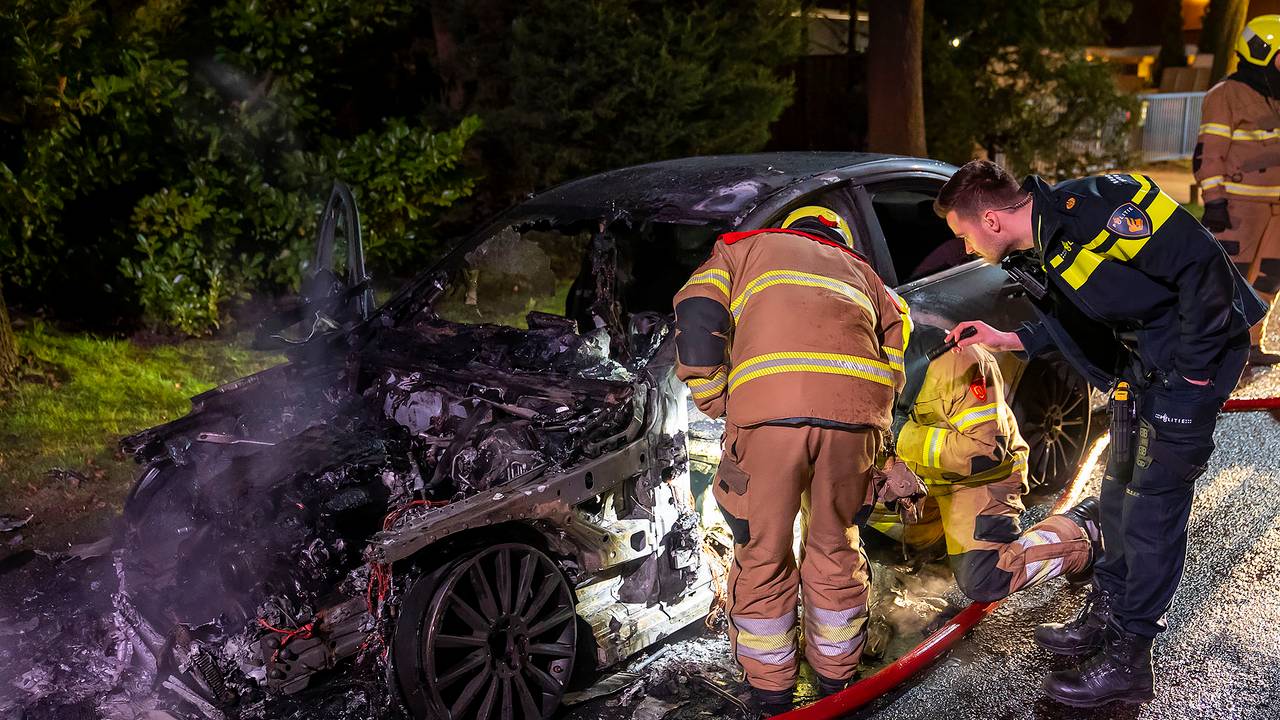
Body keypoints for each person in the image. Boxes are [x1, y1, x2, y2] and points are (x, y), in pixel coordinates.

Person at [935, 160, 1266, 708]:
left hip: (1188, 365)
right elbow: (1081, 320)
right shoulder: (1043, 243)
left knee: (1151, 509)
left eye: (964, 235)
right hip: (1139, 371)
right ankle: (1107, 612)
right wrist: (1007, 338)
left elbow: (1203, 269)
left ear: (991, 220)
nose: (967, 249)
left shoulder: (1100, 207)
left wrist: (1194, 377)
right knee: (1116, 494)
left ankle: (1130, 659)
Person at [673, 206, 906, 714]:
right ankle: (836, 684)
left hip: (769, 424)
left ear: (792, 226)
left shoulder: (745, 250)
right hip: (855, 427)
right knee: (836, 547)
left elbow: (696, 309)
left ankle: (772, 691)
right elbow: (895, 350)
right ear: (838, 236)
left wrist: (716, 396)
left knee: (763, 551)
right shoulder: (866, 275)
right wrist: (875, 426)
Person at [890, 320, 1100, 603]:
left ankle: (1081, 532)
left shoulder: (956, 361)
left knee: (986, 578)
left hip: (977, 481)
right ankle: (931, 542)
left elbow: (985, 452)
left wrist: (901, 434)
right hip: (925, 479)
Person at [1195, 14, 1280, 365]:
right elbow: (1209, 152)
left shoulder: (1276, 95)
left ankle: (1250, 344)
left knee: (1270, 275)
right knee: (1231, 279)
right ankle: (1214, 350)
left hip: (1278, 207)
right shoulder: (1225, 95)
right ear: (1262, 51)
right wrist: (1214, 201)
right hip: (1239, 207)